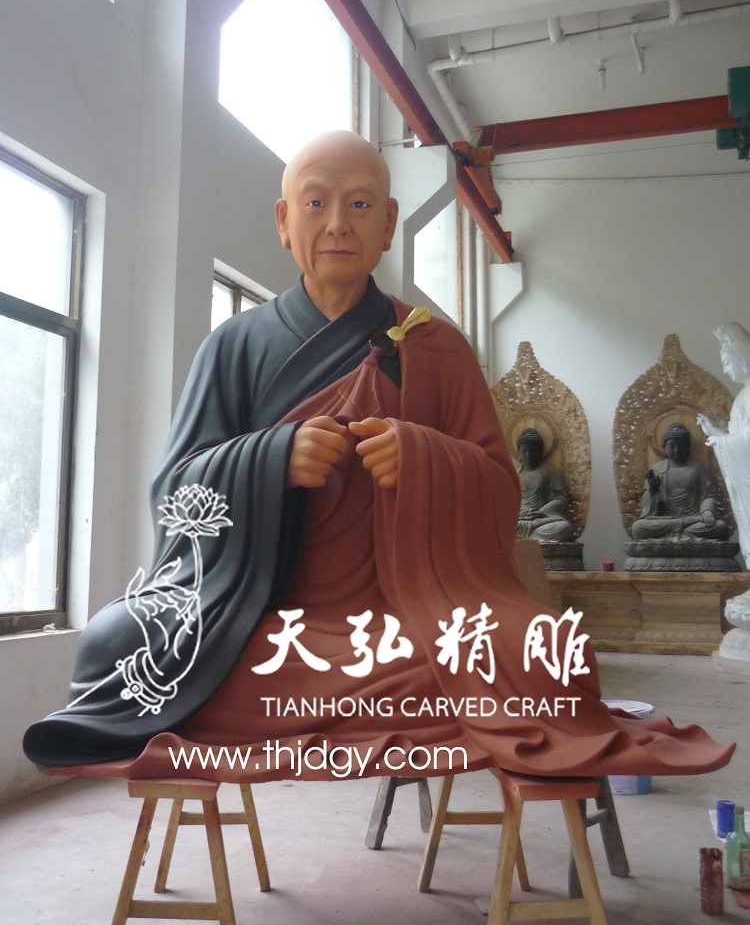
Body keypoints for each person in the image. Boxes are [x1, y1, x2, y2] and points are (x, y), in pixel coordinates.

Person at [24, 132, 733, 782]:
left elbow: (501, 491)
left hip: (406, 614)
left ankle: (296, 716)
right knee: (116, 642)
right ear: (284, 221)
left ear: (389, 223)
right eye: (316, 203)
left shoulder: (436, 348)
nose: (339, 222)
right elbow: (176, 493)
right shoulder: (232, 347)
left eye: (360, 204)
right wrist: (270, 459)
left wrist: (423, 460)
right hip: (265, 615)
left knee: (545, 651)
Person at [698, 322, 750, 567]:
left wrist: (721, 441)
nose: (726, 370)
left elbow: (747, 441)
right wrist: (716, 433)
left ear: (742, 358)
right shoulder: (743, 396)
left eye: (727, 363)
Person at [630, 422, 729, 541]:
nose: (676, 449)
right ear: (664, 447)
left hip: (693, 520)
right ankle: (684, 535)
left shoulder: (697, 469)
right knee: (637, 528)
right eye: (672, 445)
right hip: (667, 521)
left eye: (681, 445)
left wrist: (707, 511)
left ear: (687, 447)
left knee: (721, 527)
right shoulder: (656, 470)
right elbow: (647, 509)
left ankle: (675, 537)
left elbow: (708, 495)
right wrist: (652, 491)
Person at [515, 428, 574, 542]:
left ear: (539, 452)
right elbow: (505, 502)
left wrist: (542, 511)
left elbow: (560, 499)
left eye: (532, 451)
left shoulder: (549, 472)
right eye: (524, 451)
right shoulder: (513, 474)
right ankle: (530, 539)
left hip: (541, 520)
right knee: (499, 526)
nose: (528, 455)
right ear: (519, 453)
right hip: (518, 520)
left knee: (564, 527)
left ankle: (526, 539)